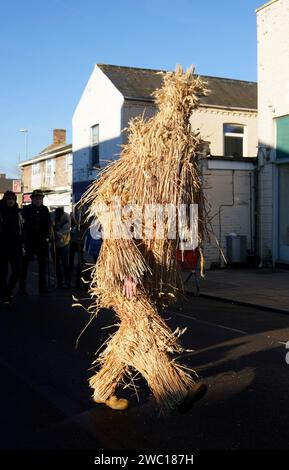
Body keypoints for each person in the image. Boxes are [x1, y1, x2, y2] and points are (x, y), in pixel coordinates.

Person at [83, 66, 208, 414]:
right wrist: (125, 266)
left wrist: (187, 240)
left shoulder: (184, 151)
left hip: (153, 264)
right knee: (146, 328)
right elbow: (110, 200)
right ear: (169, 101)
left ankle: (103, 386)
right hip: (126, 270)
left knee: (131, 333)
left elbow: (185, 205)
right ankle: (171, 391)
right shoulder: (146, 149)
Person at [20, 189, 51, 295]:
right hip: (29, 240)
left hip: (41, 241)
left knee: (42, 265)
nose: (38, 200)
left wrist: (48, 234)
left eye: (40, 198)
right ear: (32, 199)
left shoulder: (45, 210)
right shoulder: (26, 209)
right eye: (36, 198)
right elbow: (22, 225)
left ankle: (43, 287)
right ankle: (22, 287)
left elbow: (48, 224)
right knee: (24, 265)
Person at [0, 191, 23, 304]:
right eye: (8, 198)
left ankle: (8, 291)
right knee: (2, 273)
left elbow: (22, 229)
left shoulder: (18, 213)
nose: (11, 201)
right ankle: (4, 295)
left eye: (13, 199)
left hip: (15, 246)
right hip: (2, 246)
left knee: (18, 269)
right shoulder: (1, 212)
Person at [53, 207, 71, 288]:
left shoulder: (66, 217)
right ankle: (59, 281)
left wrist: (56, 233)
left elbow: (65, 231)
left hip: (64, 243)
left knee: (65, 264)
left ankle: (67, 281)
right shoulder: (53, 216)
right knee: (56, 264)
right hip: (54, 244)